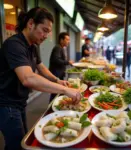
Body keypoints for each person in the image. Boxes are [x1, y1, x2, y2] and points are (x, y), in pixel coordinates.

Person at [0, 7, 81, 150]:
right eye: (44, 30)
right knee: (17, 145)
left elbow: (41, 67)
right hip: (6, 104)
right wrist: (65, 89)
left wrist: (57, 80)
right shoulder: (14, 44)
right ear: (31, 23)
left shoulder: (32, 46)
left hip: (19, 102)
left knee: (22, 140)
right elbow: (28, 78)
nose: (46, 36)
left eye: (48, 32)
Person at [49, 32, 74, 101]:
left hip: (59, 73)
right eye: (67, 39)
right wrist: (68, 62)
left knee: (56, 92)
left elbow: (60, 60)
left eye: (69, 40)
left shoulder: (61, 48)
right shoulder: (58, 48)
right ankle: (51, 109)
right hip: (56, 74)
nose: (68, 41)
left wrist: (67, 62)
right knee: (55, 92)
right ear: (61, 40)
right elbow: (56, 60)